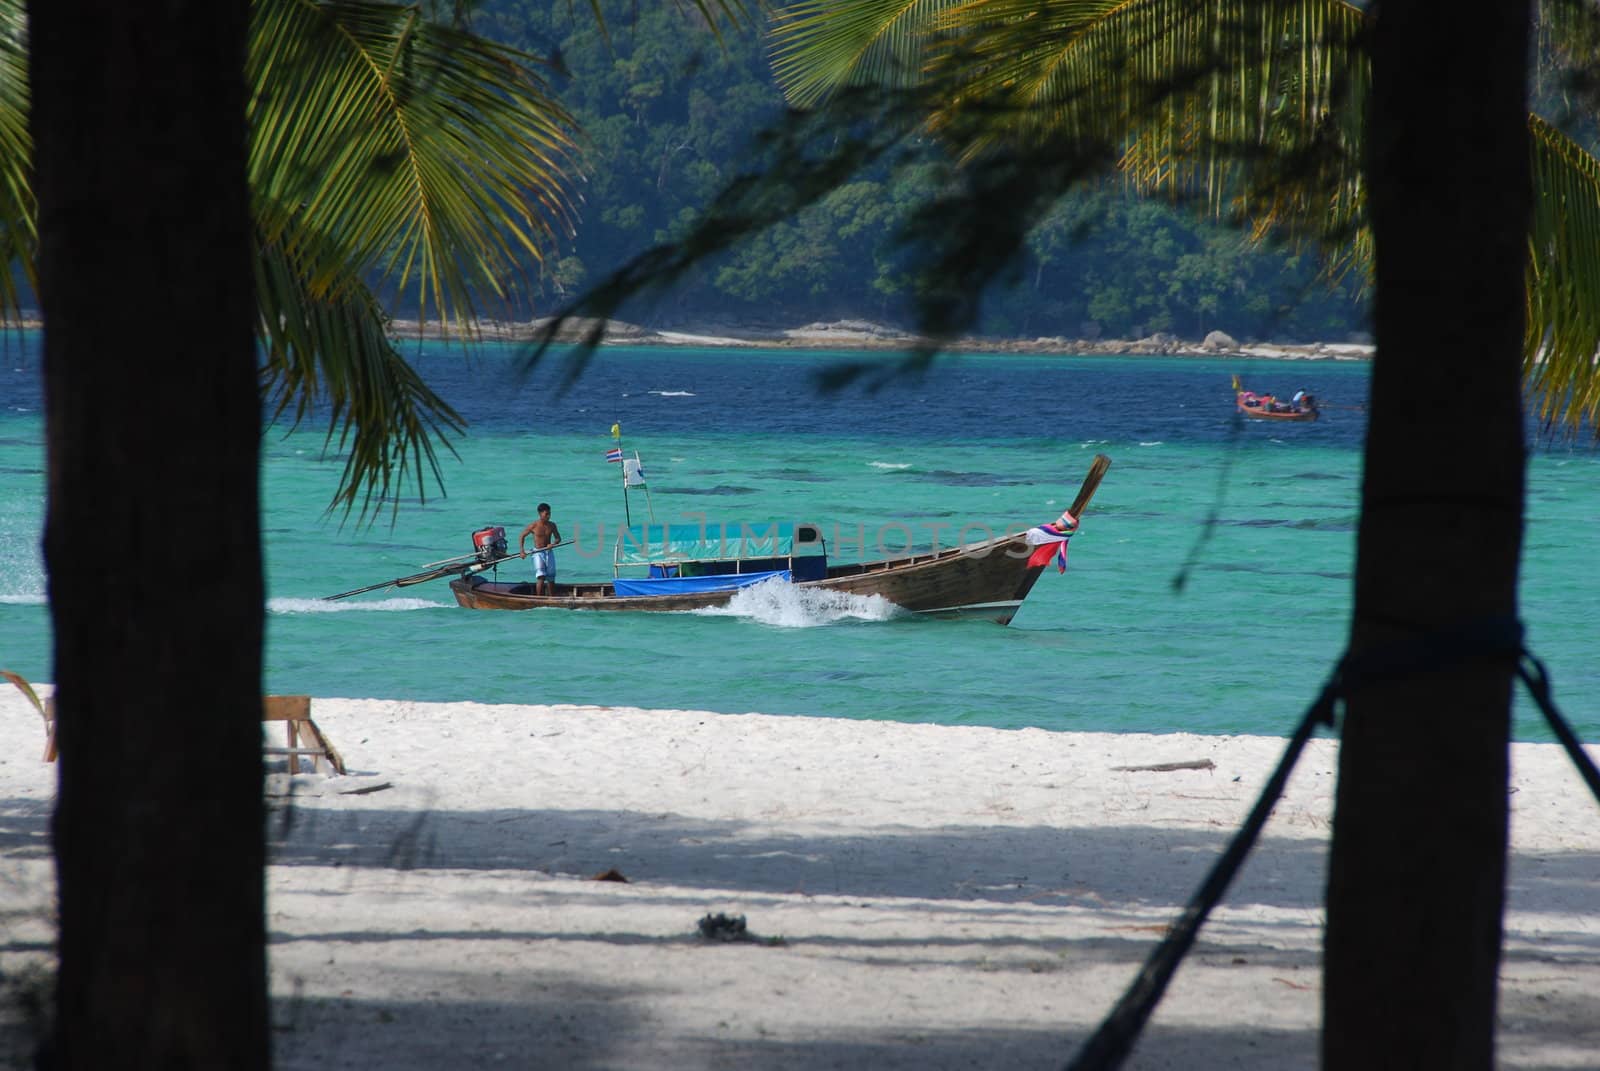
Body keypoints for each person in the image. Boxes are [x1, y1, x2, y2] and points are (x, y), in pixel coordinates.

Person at [519, 502, 561, 596]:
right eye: (546, 514)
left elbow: (558, 538)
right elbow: (522, 536)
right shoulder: (534, 525)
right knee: (541, 576)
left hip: (549, 552)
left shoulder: (552, 525)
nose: (548, 516)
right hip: (538, 552)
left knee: (551, 577)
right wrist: (522, 551)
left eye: (549, 514)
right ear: (540, 514)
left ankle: (552, 599)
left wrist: (553, 543)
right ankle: (539, 598)